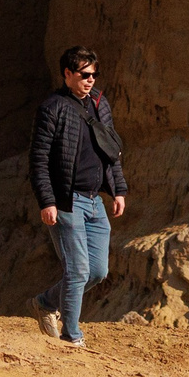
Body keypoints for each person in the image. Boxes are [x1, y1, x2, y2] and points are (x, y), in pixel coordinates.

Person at [28, 46, 126, 346]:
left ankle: (45, 303)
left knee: (97, 271)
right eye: (84, 74)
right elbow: (38, 160)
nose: (90, 80)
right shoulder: (52, 108)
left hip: (95, 201)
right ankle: (72, 337)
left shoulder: (99, 103)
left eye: (94, 74)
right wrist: (47, 201)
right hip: (66, 201)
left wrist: (118, 190)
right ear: (67, 74)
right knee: (78, 269)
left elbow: (110, 151)